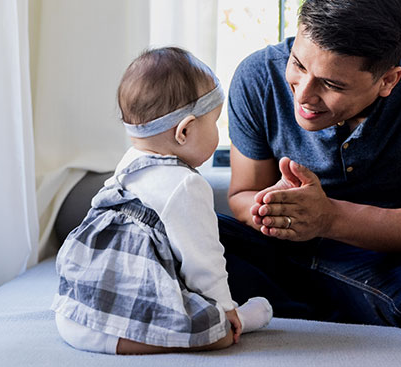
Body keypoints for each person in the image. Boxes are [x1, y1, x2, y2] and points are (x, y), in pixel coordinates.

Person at [220, 0, 401, 366]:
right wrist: (277, 209)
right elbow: (242, 194)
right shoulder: (257, 75)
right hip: (284, 259)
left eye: (331, 84)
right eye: (298, 64)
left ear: (388, 79)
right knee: (172, 237)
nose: (303, 95)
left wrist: (328, 218)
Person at [51, 47, 272, 355]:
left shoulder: (129, 164)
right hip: (122, 309)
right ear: (185, 131)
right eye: (215, 123)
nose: (218, 133)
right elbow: (203, 261)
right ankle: (240, 319)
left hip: (76, 312)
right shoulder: (185, 184)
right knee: (219, 333)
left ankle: (106, 331)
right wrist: (226, 307)